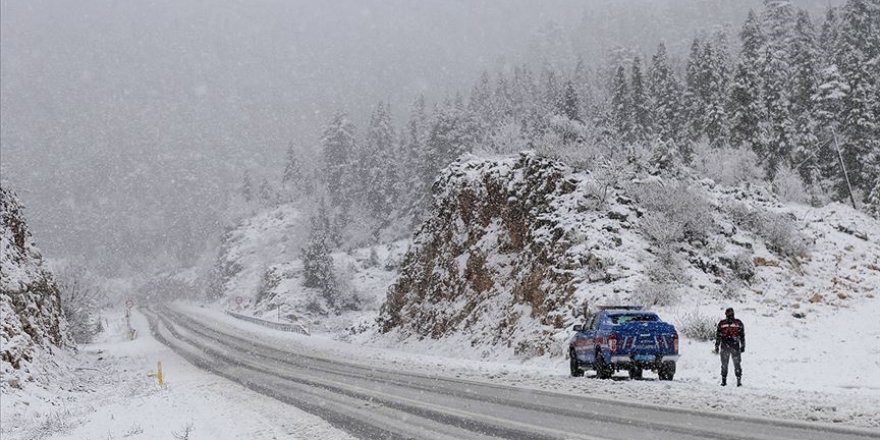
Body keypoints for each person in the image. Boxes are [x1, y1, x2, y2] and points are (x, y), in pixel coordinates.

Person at [714, 307, 745, 387]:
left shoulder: (722, 323)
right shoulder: (738, 323)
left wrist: (717, 346)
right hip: (732, 345)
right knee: (734, 364)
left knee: (727, 364)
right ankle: (736, 381)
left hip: (727, 345)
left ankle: (726, 381)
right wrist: (743, 345)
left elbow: (718, 336)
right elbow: (742, 335)